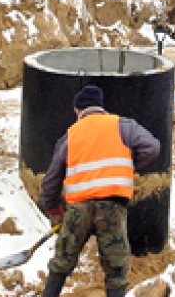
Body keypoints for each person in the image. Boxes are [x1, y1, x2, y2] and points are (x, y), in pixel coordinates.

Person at [40, 85, 161, 297]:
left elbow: (50, 182)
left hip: (78, 209)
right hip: (112, 207)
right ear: (100, 108)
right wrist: (128, 165)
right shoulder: (123, 126)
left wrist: (55, 214)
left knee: (61, 263)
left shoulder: (70, 135)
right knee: (116, 270)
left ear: (78, 110)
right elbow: (152, 147)